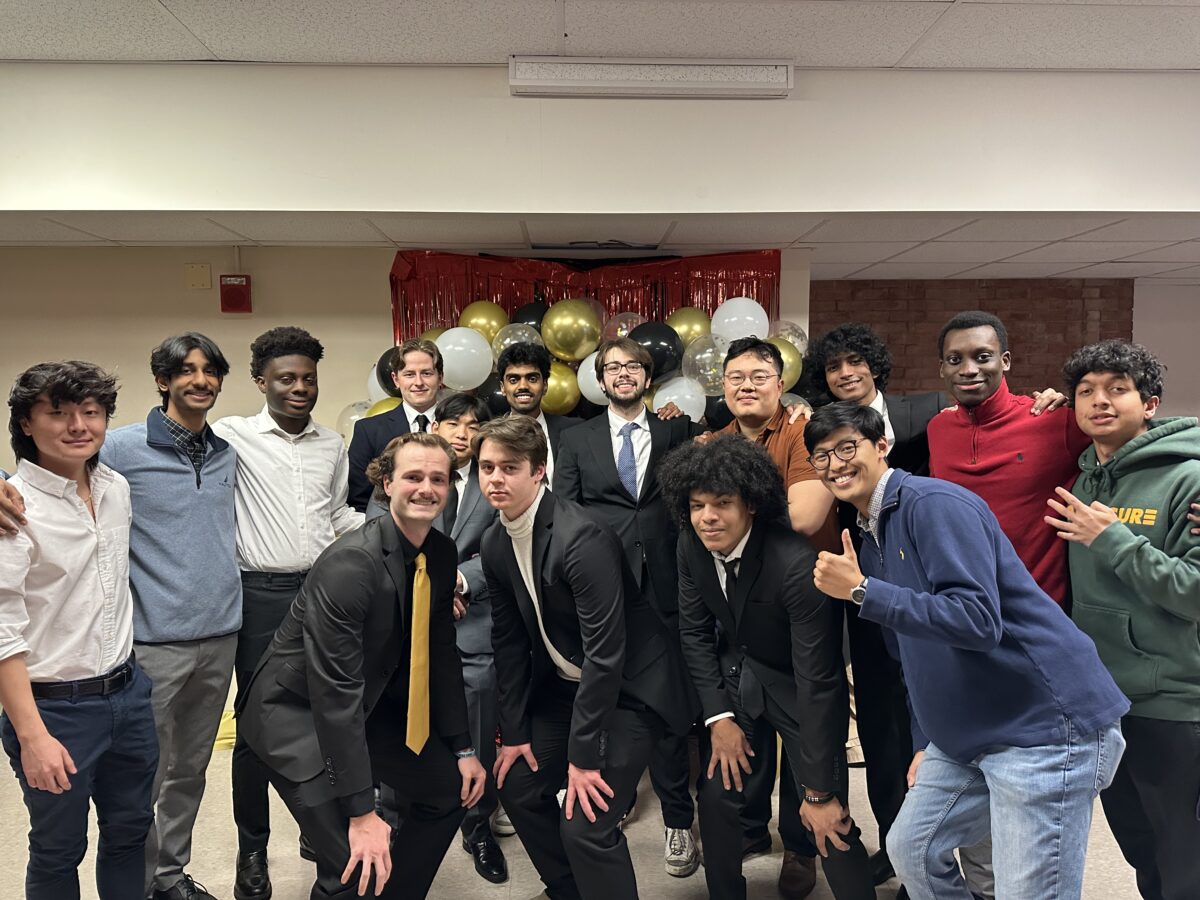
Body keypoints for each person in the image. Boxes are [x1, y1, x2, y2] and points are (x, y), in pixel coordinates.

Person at [805, 401, 1130, 900]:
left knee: (1028, 891)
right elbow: (911, 656)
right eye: (821, 457)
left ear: (881, 445)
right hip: (967, 736)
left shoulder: (932, 504)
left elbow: (978, 621)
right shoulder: (869, 536)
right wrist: (923, 738)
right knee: (911, 849)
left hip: (1044, 727)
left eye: (847, 447)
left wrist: (863, 592)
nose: (835, 464)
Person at [236, 431, 486, 899]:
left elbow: (441, 655)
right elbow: (334, 693)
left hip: (367, 702)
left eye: (438, 478)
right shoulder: (351, 564)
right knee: (355, 866)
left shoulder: (440, 552)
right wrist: (361, 812)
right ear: (386, 483)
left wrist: (462, 748)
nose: (426, 488)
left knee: (449, 790)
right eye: (413, 476)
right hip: (294, 716)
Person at [476, 415, 696, 900]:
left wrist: (581, 759)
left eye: (509, 467)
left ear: (539, 471)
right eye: (486, 467)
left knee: (586, 823)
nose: (494, 478)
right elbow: (508, 642)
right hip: (564, 685)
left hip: (631, 691)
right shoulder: (494, 541)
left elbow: (606, 653)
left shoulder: (581, 537)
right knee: (517, 786)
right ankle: (568, 890)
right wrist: (512, 735)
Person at [661, 434, 876, 900]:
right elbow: (695, 634)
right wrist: (718, 718)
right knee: (716, 799)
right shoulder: (690, 544)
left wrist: (818, 793)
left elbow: (818, 681)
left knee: (830, 821)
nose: (708, 517)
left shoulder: (797, 566)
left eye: (722, 503)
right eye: (697, 505)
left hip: (801, 687)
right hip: (738, 679)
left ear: (752, 504)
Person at [211, 326, 365, 900]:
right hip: (260, 597)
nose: (299, 388)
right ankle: (252, 850)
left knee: (325, 713)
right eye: (286, 379)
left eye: (308, 378)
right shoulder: (232, 436)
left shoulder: (332, 444)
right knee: (255, 731)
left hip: (322, 595)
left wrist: (399, 532)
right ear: (261, 382)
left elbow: (338, 516)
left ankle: (315, 826)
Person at [1047, 340, 1200, 900]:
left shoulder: (1188, 480)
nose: (1099, 401)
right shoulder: (1086, 479)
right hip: (1105, 703)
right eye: (1085, 391)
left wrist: (1112, 539)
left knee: (1185, 855)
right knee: (1140, 848)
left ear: (1151, 403)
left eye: (1117, 389)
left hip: (1174, 702)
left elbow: (1195, 592)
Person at [0, 361, 158, 899]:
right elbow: (2, 634)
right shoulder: (13, 509)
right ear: (26, 423)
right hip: (55, 709)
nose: (78, 426)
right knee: (58, 849)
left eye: (91, 412)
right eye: (58, 413)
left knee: (130, 834)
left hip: (128, 695)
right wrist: (31, 736)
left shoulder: (115, 487)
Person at [554, 337, 702, 879]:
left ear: (647, 374)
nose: (622, 374)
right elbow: (566, 511)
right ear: (600, 379)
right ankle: (607, 808)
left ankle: (678, 821)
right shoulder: (576, 437)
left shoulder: (676, 429)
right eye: (611, 368)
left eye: (631, 367)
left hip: (667, 588)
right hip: (603, 588)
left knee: (665, 712)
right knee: (605, 702)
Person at [100, 333, 239, 900]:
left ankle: (169, 877)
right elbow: (44, 473)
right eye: (186, 370)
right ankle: (137, 881)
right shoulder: (118, 448)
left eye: (209, 371)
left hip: (221, 637)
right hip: (154, 643)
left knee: (190, 771)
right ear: (163, 380)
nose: (200, 380)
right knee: (143, 775)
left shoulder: (228, 451)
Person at [713, 335, 837, 897]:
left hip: (803, 600)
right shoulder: (711, 441)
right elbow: (699, 525)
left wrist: (731, 522)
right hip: (738, 605)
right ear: (722, 385)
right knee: (750, 713)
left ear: (780, 383)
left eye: (759, 376)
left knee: (805, 719)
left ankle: (801, 843)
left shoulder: (801, 433)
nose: (746, 385)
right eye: (735, 376)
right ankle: (750, 829)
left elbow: (807, 516)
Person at [370, 392, 507, 883]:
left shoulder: (492, 482)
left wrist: (457, 580)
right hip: (404, 633)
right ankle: (391, 823)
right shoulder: (407, 472)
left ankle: (478, 826)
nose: (463, 433)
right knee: (396, 734)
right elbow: (378, 536)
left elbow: (506, 547)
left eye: (474, 425)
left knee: (472, 740)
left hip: (471, 624)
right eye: (454, 422)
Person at [927, 311, 1087, 608]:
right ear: (942, 369)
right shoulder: (938, 429)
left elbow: (1134, 439)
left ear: (1006, 361)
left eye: (983, 356)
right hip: (964, 608)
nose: (968, 369)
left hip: (1040, 612)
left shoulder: (1055, 420)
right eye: (955, 360)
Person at [348, 338, 444, 512]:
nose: (419, 382)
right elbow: (358, 501)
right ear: (396, 379)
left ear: (440, 378)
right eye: (409, 374)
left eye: (427, 373)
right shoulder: (369, 430)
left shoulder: (459, 428)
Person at [495, 342, 579, 484]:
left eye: (532, 379)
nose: (523, 386)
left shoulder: (574, 432)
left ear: (545, 385)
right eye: (514, 380)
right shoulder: (489, 437)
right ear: (503, 388)